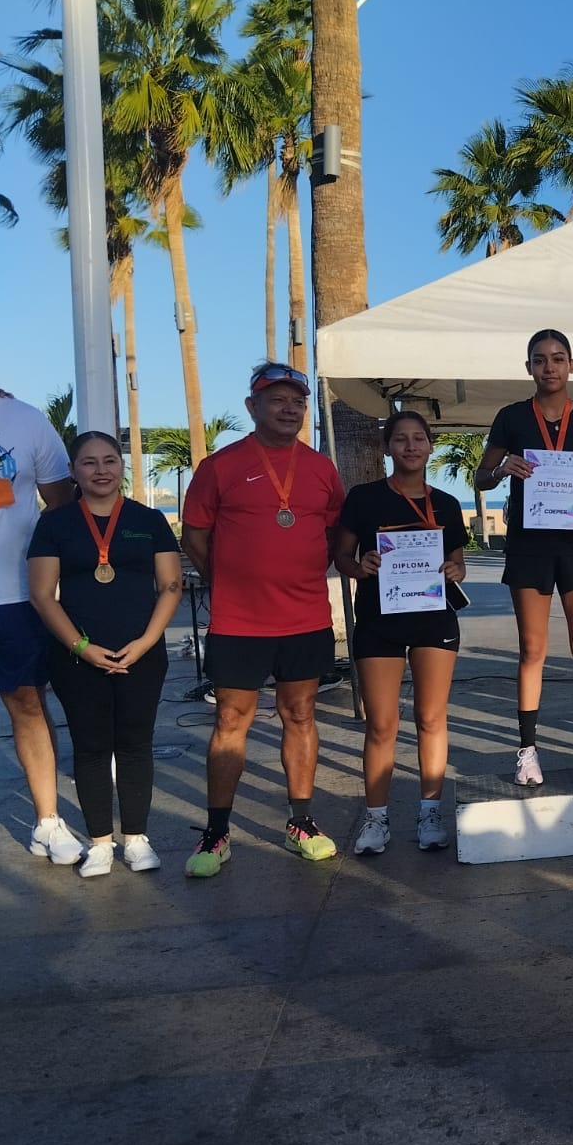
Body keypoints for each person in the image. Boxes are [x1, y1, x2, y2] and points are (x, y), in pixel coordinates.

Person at [180, 362, 345, 877]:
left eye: (297, 400)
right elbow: (194, 536)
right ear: (252, 407)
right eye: (277, 400)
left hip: (305, 616)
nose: (290, 408)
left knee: (300, 716)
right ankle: (217, 833)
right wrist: (229, 578)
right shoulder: (219, 466)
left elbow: (337, 533)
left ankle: (301, 821)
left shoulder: (321, 468)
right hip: (239, 621)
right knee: (230, 722)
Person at [27, 432, 181, 877]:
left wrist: (148, 641)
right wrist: (81, 646)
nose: (101, 470)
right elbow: (42, 594)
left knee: (135, 745)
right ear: (73, 471)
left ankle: (135, 838)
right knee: (91, 747)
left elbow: (170, 585)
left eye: (110, 460)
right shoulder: (54, 524)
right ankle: (99, 842)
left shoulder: (148, 519)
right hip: (78, 657)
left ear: (121, 467)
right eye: (89, 462)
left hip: (142, 652)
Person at [0, 314, 82, 882]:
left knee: (29, 706)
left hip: (15, 596)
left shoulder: (25, 419)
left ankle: (48, 821)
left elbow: (62, 507)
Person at [477, 330, 573, 784]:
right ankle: (528, 750)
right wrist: (501, 469)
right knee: (532, 650)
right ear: (529, 368)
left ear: (571, 365)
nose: (549, 367)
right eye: (540, 360)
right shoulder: (511, 417)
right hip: (529, 544)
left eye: (558, 359)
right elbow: (481, 479)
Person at [334, 411, 467, 853]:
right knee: (382, 725)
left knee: (431, 718)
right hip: (378, 620)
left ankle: (430, 812)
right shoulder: (364, 497)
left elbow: (459, 563)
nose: (411, 446)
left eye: (418, 439)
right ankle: (376, 820)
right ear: (387, 448)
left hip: (433, 619)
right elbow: (343, 557)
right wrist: (361, 566)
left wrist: (454, 569)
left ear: (430, 446)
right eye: (401, 439)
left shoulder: (446, 503)